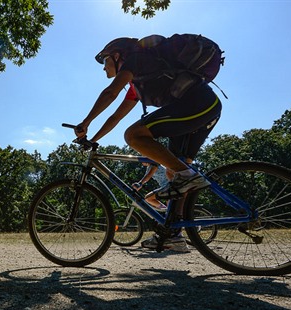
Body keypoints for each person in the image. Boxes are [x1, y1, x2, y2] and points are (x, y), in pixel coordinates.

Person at [75, 36, 222, 251]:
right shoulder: (141, 82)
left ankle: (187, 179)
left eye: (105, 60)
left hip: (198, 105)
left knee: (134, 135)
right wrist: (93, 140)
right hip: (205, 108)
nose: (104, 67)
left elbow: (110, 93)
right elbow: (115, 117)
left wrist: (85, 122)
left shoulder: (135, 60)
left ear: (117, 56)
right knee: (176, 172)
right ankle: (173, 235)